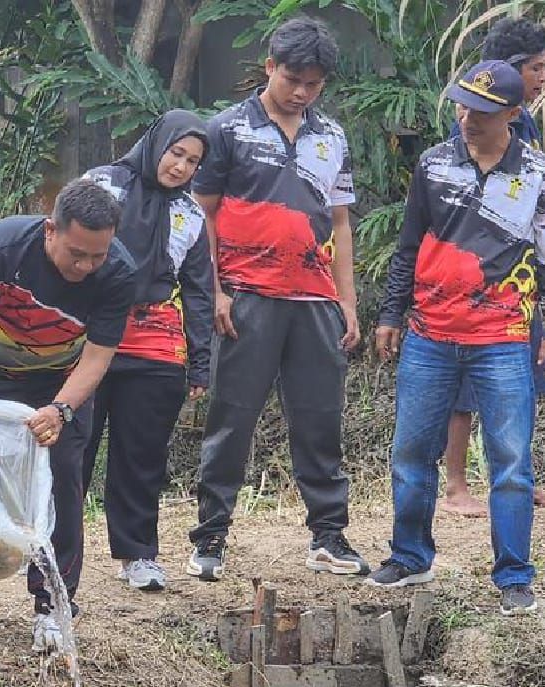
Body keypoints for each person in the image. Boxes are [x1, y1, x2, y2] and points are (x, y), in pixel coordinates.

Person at [371, 61, 545, 616]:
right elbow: (409, 245)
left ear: (512, 114)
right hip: (429, 333)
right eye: (461, 106)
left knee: (510, 458)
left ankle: (513, 576)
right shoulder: (434, 165)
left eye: (481, 112)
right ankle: (409, 556)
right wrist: (391, 313)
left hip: (505, 335)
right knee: (412, 450)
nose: (466, 118)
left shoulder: (539, 174)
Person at [186, 16, 366, 582]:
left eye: (314, 84)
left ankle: (329, 536)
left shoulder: (331, 136)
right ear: (269, 67)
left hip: (315, 299)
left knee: (320, 419)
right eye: (293, 78)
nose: (302, 92)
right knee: (231, 418)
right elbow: (203, 214)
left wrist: (348, 302)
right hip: (246, 295)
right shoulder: (227, 131)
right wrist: (214, 290)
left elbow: (339, 221)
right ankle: (210, 536)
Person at [0, 178, 136, 650]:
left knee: (63, 478)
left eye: (97, 256)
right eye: (76, 253)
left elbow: (99, 356)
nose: (86, 266)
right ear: (50, 230)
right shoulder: (0, 250)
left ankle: (53, 605)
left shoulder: (119, 273)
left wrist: (62, 409)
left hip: (62, 380)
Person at [441, 16, 545, 516]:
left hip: (519, 274)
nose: (544, 77)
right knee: (465, 385)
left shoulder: (522, 122)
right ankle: (457, 487)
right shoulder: (473, 119)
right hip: (476, 271)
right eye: (536, 67)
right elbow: (476, 204)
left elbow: (525, 200)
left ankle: (516, 479)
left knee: (521, 379)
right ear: (508, 70)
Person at [82, 110, 214, 592]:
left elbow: (199, 291)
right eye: (176, 153)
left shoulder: (190, 214)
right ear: (155, 143)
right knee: (73, 448)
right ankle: (56, 550)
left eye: (193, 161)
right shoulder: (103, 184)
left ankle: (138, 555)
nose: (180, 167)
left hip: (154, 339)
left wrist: (201, 361)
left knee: (141, 455)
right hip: (89, 331)